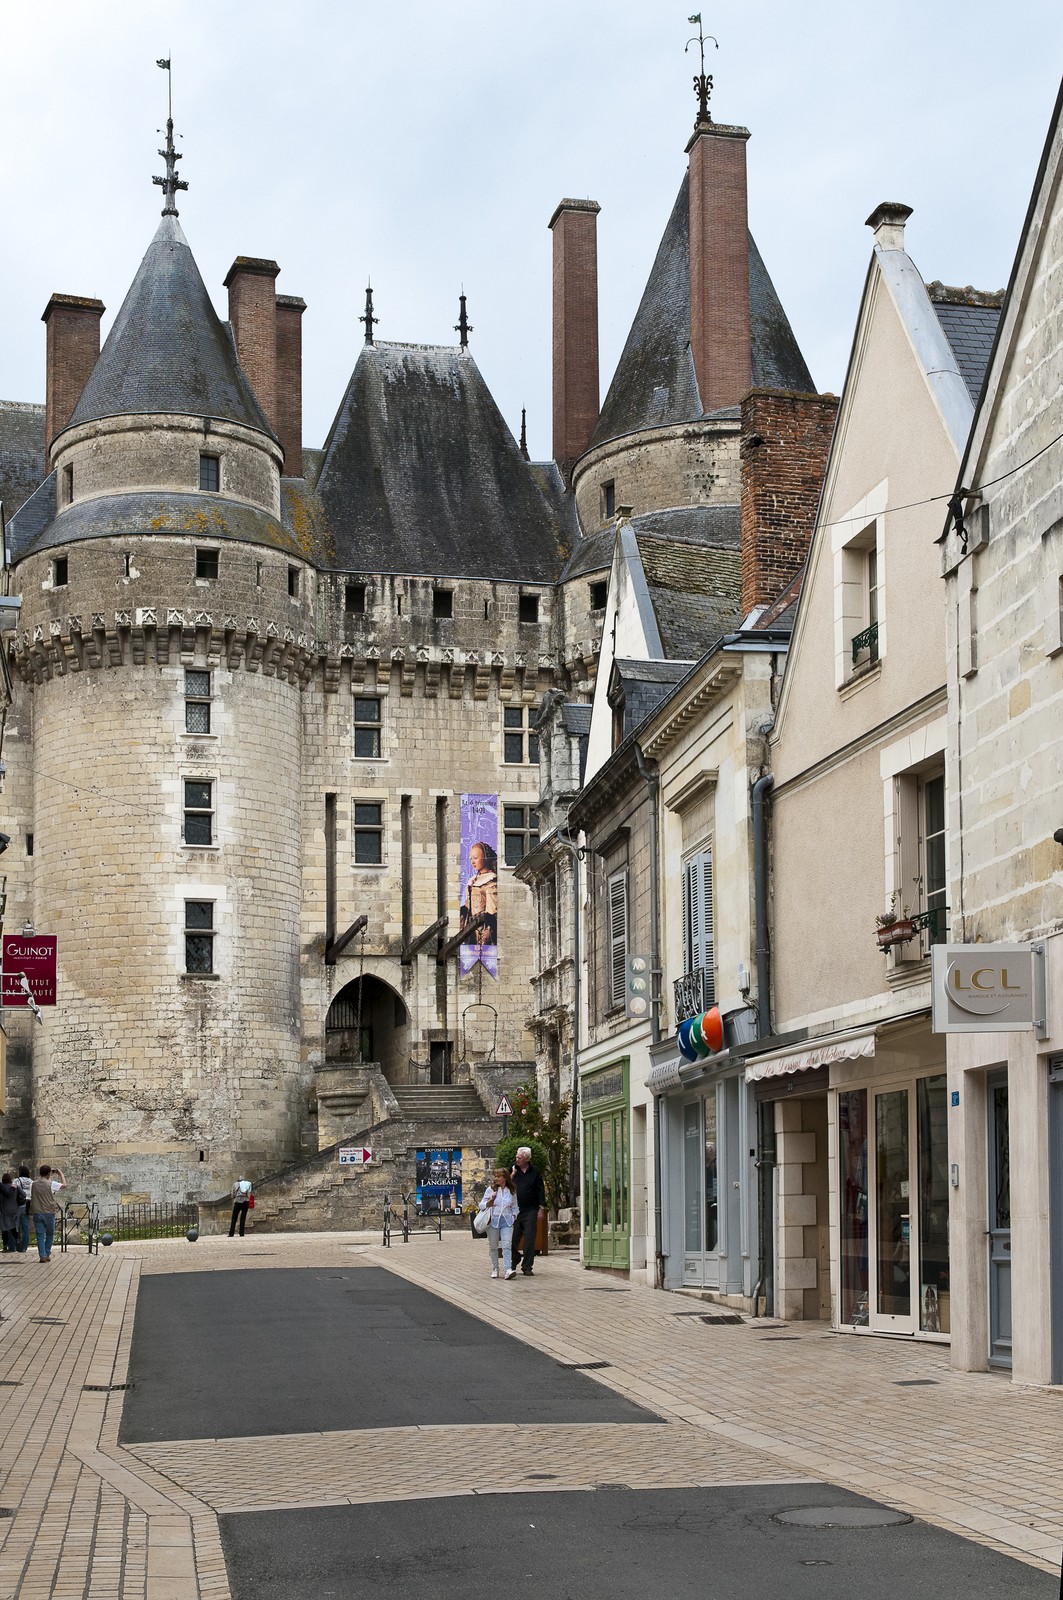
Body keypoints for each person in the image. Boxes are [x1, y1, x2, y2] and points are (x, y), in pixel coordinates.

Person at [477, 1166, 519, 1279]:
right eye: (495, 1176)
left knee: (506, 1245)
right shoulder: (491, 1190)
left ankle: (508, 1269)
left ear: (505, 1178)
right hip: (493, 1221)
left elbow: (515, 1207)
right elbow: (481, 1205)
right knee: (493, 1246)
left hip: (507, 1221)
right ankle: (495, 1268)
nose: (496, 1178)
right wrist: (491, 1200)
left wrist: (514, 1216)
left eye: (499, 1176)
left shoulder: (512, 1190)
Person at [510, 1145, 546, 1277]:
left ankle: (527, 1266)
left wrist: (541, 1208)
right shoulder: (512, 1170)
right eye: (516, 1157)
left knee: (530, 1239)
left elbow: (540, 1190)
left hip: (530, 1209)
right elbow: (504, 1185)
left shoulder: (535, 1172)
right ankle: (514, 1261)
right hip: (514, 1210)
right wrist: (512, 1175)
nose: (517, 1159)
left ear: (526, 1159)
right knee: (512, 1238)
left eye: (519, 1157)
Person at [459, 841, 498, 947]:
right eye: (471, 858)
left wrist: (488, 928)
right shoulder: (473, 880)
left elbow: (492, 909)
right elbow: (468, 904)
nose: (472, 862)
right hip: (471, 926)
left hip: (483, 925)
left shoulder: (491, 880)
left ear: (485, 858)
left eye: (476, 858)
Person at [28, 1165, 66, 1262]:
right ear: (49, 1173)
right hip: (49, 1212)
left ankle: (42, 1255)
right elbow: (64, 1185)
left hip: (37, 1211)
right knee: (49, 1234)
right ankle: (47, 1252)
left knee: (40, 1235)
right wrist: (60, 1173)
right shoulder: (51, 1184)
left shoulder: (34, 1184)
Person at [0, 1174, 21, 1253]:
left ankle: (6, 1245)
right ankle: (17, 1239)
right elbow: (23, 1195)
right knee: (12, 1226)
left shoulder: (3, 1187)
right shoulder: (14, 1187)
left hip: (4, 1210)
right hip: (15, 1209)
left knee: (4, 1228)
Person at [15, 1166, 32, 1254]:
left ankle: (15, 1245)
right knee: (25, 1227)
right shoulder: (31, 1181)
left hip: (19, 1204)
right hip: (28, 1204)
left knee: (15, 1225)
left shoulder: (17, 1180)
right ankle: (24, 1247)